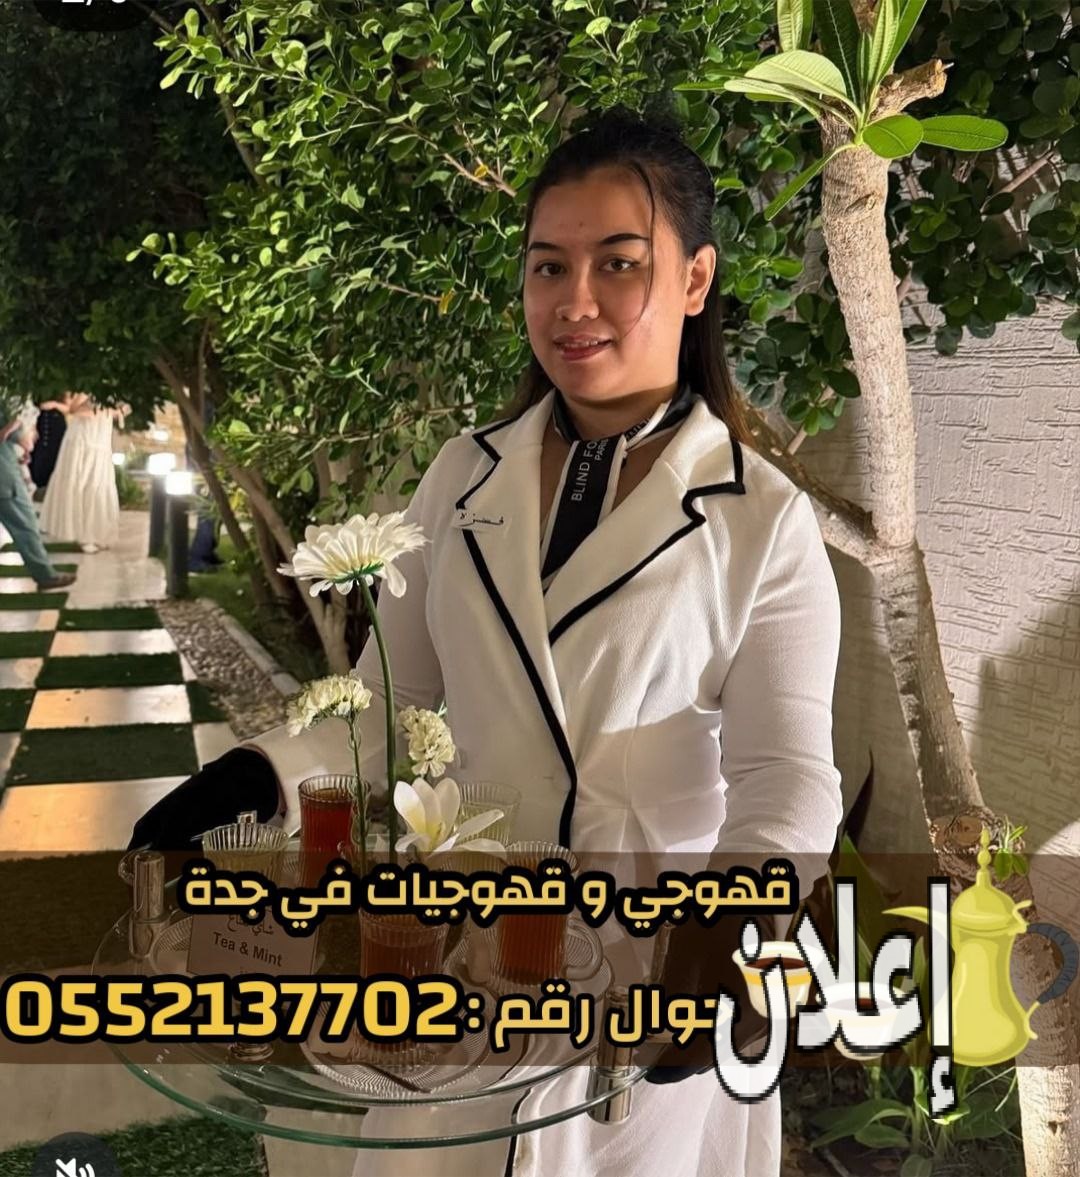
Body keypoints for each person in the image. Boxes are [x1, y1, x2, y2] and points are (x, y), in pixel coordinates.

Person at [129, 104, 845, 1175]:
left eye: (619, 264)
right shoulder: (462, 476)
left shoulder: (761, 518)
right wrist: (252, 777)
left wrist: (730, 926)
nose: (575, 302)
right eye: (548, 267)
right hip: (455, 971)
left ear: (696, 279)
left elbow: (786, 774)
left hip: (646, 985)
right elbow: (388, 704)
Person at [0, 399, 76, 591]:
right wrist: (19, 431)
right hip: (4, 474)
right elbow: (19, 435)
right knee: (25, 524)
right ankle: (45, 575)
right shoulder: (8, 399)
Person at [39, 392, 125, 553]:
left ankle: (99, 534)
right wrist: (104, 411)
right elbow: (74, 409)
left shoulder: (112, 391)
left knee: (98, 486)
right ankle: (85, 536)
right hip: (83, 440)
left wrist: (112, 411)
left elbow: (123, 409)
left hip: (99, 440)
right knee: (83, 484)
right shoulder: (86, 390)